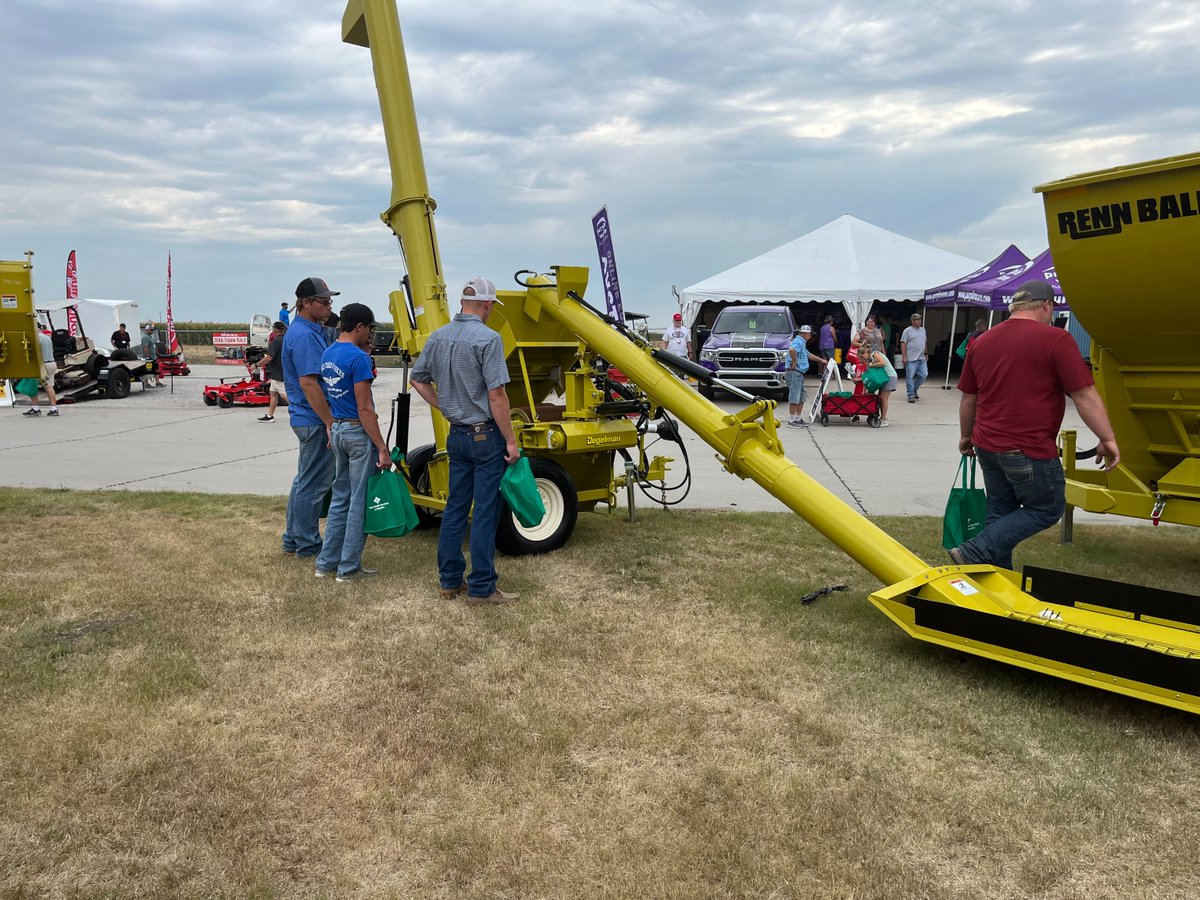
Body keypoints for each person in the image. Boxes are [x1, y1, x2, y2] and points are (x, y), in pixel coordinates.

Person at [949, 280, 1120, 570]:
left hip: (987, 445)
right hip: (1027, 448)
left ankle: (998, 587)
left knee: (999, 515)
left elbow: (969, 398)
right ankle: (976, 550)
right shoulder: (1056, 339)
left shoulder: (982, 341)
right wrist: (1107, 437)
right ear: (1047, 306)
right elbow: (1084, 394)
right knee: (1046, 508)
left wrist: (966, 436)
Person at [409, 276, 521, 606]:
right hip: (485, 436)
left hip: (456, 434)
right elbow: (497, 395)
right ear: (487, 305)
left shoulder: (439, 336)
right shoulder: (489, 339)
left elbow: (418, 379)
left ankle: (449, 581)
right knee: (485, 511)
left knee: (456, 508)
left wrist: (445, 405)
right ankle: (482, 587)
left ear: (462, 302)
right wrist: (511, 442)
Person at [314, 303, 391, 582]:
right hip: (358, 434)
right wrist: (382, 447)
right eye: (370, 328)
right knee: (359, 501)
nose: (371, 333)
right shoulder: (357, 359)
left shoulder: (328, 353)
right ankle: (348, 568)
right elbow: (365, 409)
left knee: (340, 498)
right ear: (359, 327)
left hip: (338, 429)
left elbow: (334, 393)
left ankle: (325, 563)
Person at [281, 276, 337, 558]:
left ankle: (293, 538)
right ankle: (307, 542)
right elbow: (309, 383)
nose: (329, 306)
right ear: (305, 303)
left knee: (304, 480)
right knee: (314, 484)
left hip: (306, 417)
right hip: (314, 419)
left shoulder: (308, 329)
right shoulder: (304, 335)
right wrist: (329, 421)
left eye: (330, 301)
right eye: (323, 301)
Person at [786, 324, 824, 427]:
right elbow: (791, 350)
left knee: (801, 396)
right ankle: (792, 420)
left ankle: (797, 418)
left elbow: (808, 354)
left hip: (799, 373)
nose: (811, 337)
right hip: (795, 373)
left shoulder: (801, 343)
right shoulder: (799, 341)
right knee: (795, 396)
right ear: (806, 334)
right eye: (810, 334)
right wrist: (794, 362)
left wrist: (821, 360)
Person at [860, 338, 897, 427]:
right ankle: (881, 417)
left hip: (890, 376)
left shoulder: (874, 354)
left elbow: (882, 363)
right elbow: (868, 375)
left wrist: (872, 365)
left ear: (865, 353)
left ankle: (883, 420)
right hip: (883, 378)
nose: (862, 360)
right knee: (880, 398)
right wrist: (864, 390)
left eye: (862, 357)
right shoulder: (870, 359)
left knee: (884, 399)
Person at [23, 330, 60, 417]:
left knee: (32, 385)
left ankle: (35, 408)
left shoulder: (35, 338)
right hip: (51, 363)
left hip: (42, 364)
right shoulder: (47, 337)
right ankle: (54, 409)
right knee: (49, 386)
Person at [257, 321, 288, 422]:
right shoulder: (285, 339)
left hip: (278, 373)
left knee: (284, 395)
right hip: (279, 371)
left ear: (275, 329)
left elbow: (269, 357)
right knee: (273, 393)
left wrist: (256, 365)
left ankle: (302, 412)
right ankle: (270, 416)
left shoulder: (276, 341)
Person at [901, 312, 928, 403]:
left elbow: (925, 342)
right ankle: (911, 394)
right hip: (910, 358)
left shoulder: (923, 330)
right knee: (910, 377)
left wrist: (926, 353)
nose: (919, 321)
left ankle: (914, 389)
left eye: (920, 319)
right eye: (917, 320)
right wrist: (904, 357)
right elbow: (903, 343)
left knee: (924, 375)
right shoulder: (907, 331)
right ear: (912, 321)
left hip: (921, 358)